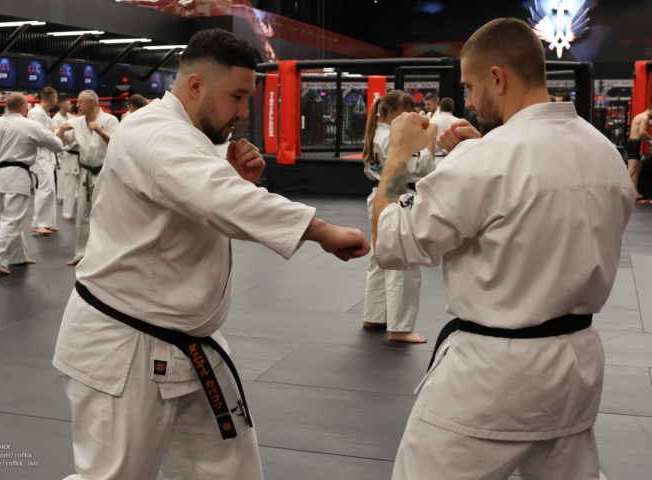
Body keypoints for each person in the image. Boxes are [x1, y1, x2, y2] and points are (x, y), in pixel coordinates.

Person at [53, 29, 369, 480]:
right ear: (196, 84)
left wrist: (228, 176)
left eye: (248, 99)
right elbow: (215, 196)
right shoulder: (153, 131)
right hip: (126, 346)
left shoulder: (185, 135)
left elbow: (196, 200)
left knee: (229, 470)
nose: (243, 112)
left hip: (189, 342)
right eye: (237, 97)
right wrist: (321, 230)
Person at [372, 18, 633, 479]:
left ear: (498, 78)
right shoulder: (604, 153)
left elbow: (390, 241)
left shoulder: (488, 158)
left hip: (490, 377)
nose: (469, 102)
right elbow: (531, 210)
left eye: (470, 87)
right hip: (576, 370)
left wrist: (397, 153)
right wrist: (473, 156)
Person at [361, 91, 435, 343]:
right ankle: (401, 328)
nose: (410, 116)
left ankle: (374, 315)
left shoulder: (375, 134)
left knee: (378, 257)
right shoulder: (392, 137)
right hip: (397, 196)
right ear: (391, 112)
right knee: (404, 261)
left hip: (378, 196)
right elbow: (419, 167)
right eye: (406, 111)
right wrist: (429, 142)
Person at [0, 93, 65, 275]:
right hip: (17, 174)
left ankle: (17, 257)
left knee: (10, 216)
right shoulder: (29, 125)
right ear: (23, 107)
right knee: (13, 219)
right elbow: (57, 145)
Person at [56, 90, 119, 266]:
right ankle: (81, 254)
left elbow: (118, 143)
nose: (77, 105)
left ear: (91, 102)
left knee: (105, 214)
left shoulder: (110, 120)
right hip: (86, 173)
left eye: (80, 102)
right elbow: (59, 143)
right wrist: (62, 130)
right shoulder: (76, 122)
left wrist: (100, 131)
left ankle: (106, 256)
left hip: (105, 172)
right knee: (83, 215)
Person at [26, 87, 61, 234]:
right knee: (43, 189)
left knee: (50, 189)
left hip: (46, 155)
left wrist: (55, 131)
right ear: (52, 98)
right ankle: (37, 223)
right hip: (38, 156)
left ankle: (48, 222)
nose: (57, 101)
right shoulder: (36, 113)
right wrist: (55, 132)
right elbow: (39, 135)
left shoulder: (44, 113)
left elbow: (48, 132)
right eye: (56, 98)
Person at [51, 97, 79, 220]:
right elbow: (55, 136)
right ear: (62, 105)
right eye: (68, 104)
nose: (71, 105)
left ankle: (66, 200)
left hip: (73, 151)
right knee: (64, 179)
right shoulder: (55, 119)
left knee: (69, 181)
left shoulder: (72, 118)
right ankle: (62, 199)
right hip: (62, 152)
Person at [626, 104, 652, 199]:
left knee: (637, 168)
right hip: (634, 144)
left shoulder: (640, 116)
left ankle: (635, 192)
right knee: (632, 169)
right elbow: (642, 133)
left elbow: (640, 136)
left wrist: (649, 141)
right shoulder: (645, 117)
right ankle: (621, 189)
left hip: (633, 143)